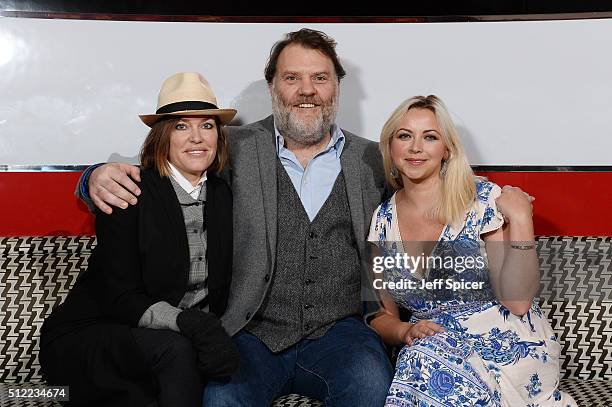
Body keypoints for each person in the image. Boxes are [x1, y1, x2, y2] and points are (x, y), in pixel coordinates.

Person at [76, 29, 394, 405]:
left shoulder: (374, 159)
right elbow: (161, 165)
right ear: (273, 87)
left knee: (373, 387)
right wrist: (92, 176)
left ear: (336, 87)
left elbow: (432, 188)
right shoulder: (233, 145)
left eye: (320, 78)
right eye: (292, 78)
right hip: (250, 331)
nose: (307, 90)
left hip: (341, 333)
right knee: (221, 399)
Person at [40, 72, 239, 407]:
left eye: (206, 125)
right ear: (162, 136)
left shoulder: (223, 194)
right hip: (96, 335)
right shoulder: (128, 191)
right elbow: (121, 297)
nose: (196, 137)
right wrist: (189, 322)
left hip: (167, 343)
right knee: (177, 352)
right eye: (181, 126)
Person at [367, 95, 576, 406]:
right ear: (390, 145)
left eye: (430, 137)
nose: (415, 147)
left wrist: (520, 217)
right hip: (433, 348)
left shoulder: (481, 199)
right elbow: (382, 314)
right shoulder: (382, 221)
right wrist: (405, 331)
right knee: (421, 357)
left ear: (447, 149)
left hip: (508, 347)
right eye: (404, 135)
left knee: (421, 362)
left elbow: (518, 302)